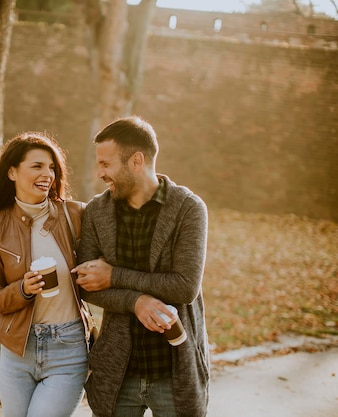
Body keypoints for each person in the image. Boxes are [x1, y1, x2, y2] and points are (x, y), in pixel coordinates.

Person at [72, 116, 209, 417]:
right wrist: (135, 301)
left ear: (136, 161)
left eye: (106, 164)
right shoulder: (97, 211)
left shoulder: (189, 209)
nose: (100, 173)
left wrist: (114, 276)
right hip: (119, 372)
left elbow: (184, 286)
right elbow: (86, 283)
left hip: (174, 369)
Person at [0, 132, 90, 417]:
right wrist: (23, 290)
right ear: (13, 172)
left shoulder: (75, 216)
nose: (48, 174)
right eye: (37, 166)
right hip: (17, 350)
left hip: (68, 347)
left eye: (52, 167)